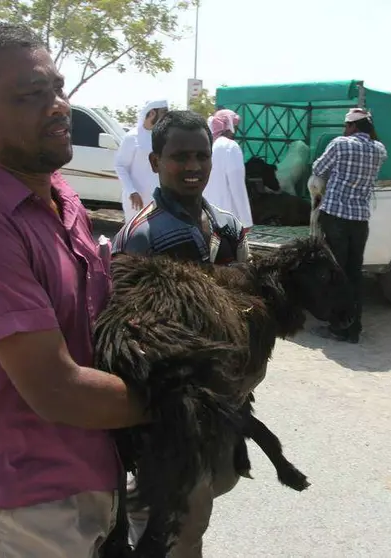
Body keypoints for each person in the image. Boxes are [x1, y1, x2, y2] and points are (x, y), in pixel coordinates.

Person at [0, 21, 150, 557]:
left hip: (91, 465)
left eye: (58, 89)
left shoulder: (60, 197)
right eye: (32, 95)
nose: (59, 106)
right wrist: (181, 400)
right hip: (29, 493)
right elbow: (57, 388)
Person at [112, 110, 251, 558]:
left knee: (225, 475)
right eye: (179, 157)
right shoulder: (143, 236)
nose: (193, 167)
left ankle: (139, 502)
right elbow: (130, 333)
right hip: (173, 402)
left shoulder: (227, 226)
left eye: (201, 156)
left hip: (224, 391)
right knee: (187, 523)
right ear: (154, 162)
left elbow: (249, 300)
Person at [310, 107, 388, 344]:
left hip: (335, 216)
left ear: (353, 126)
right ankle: (354, 327)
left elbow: (318, 169)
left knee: (336, 273)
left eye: (347, 125)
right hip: (360, 220)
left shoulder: (340, 144)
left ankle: (336, 326)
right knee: (354, 273)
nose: (345, 129)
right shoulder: (380, 150)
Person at [114, 99, 169, 223]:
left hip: (159, 200)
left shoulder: (162, 137)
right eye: (163, 112)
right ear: (152, 114)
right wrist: (132, 191)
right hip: (137, 201)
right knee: (136, 237)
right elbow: (120, 166)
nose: (166, 117)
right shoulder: (132, 137)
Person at [203, 108, 253, 227]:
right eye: (235, 126)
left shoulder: (206, 145)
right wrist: (246, 221)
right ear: (228, 126)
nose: (236, 131)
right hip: (227, 217)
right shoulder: (230, 146)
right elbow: (237, 186)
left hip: (205, 215)